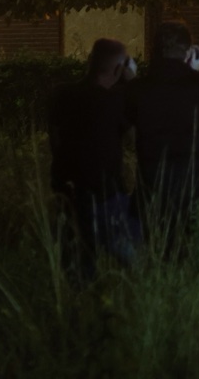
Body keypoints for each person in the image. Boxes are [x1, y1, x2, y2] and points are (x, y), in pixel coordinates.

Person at [48, 37, 140, 270]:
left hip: (67, 190)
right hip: (107, 193)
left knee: (79, 262)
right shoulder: (116, 101)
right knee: (135, 254)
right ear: (119, 68)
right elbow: (138, 135)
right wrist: (133, 82)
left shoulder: (62, 95)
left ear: (90, 61)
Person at [126, 19, 199, 238]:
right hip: (196, 190)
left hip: (152, 190)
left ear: (154, 51)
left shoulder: (137, 89)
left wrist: (130, 79)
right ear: (189, 52)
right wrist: (193, 73)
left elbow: (128, 125)